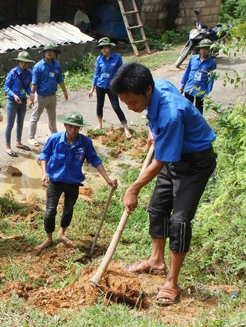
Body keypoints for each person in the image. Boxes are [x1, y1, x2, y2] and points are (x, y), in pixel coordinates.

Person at [110, 62, 217, 306]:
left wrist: (133, 188)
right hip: (172, 155)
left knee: (179, 221)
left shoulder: (171, 114)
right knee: (157, 208)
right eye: (126, 104)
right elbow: (158, 127)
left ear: (147, 91)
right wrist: (153, 129)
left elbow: (160, 160)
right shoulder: (158, 86)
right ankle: (156, 261)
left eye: (133, 103)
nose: (131, 108)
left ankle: (171, 281)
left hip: (194, 163)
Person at [36, 112, 117, 252]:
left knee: (68, 210)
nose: (73, 130)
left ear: (80, 128)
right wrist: (44, 173)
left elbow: (95, 160)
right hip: (55, 181)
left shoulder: (85, 142)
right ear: (66, 125)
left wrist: (107, 179)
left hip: (73, 182)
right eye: (71, 126)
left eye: (76, 127)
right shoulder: (54, 139)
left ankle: (62, 232)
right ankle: (49, 238)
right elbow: (44, 155)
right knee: (50, 211)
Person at [88, 37, 132, 138]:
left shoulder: (117, 57)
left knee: (116, 106)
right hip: (100, 85)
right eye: (101, 48)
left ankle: (126, 128)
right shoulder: (99, 59)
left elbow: (121, 72)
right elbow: (96, 74)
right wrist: (92, 88)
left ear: (109, 48)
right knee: (99, 105)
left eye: (105, 47)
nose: (103, 50)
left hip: (112, 86)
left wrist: (122, 85)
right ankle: (99, 124)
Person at [28, 43, 69, 147]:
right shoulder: (38, 66)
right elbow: (35, 83)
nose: (49, 53)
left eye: (52, 51)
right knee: (35, 117)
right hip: (41, 96)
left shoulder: (56, 64)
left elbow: (60, 79)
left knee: (52, 117)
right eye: (47, 51)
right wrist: (31, 98)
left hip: (52, 96)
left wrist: (65, 91)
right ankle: (31, 137)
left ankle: (54, 135)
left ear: (54, 53)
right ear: (44, 53)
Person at [3, 51, 35, 157]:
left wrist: (30, 93)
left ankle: (18, 142)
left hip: (22, 101)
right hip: (12, 101)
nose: (24, 64)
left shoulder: (29, 73)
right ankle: (7, 146)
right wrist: (14, 95)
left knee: (20, 122)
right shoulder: (12, 73)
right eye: (22, 62)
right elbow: (6, 87)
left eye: (26, 62)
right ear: (18, 62)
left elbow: (26, 86)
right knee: (10, 124)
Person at [180, 39, 217, 114]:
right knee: (187, 108)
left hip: (201, 90)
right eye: (202, 48)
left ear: (209, 50)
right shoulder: (193, 58)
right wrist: (182, 85)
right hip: (189, 87)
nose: (204, 51)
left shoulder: (212, 63)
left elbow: (211, 79)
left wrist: (208, 93)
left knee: (199, 110)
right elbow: (187, 72)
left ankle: (198, 125)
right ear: (199, 49)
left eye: (206, 49)